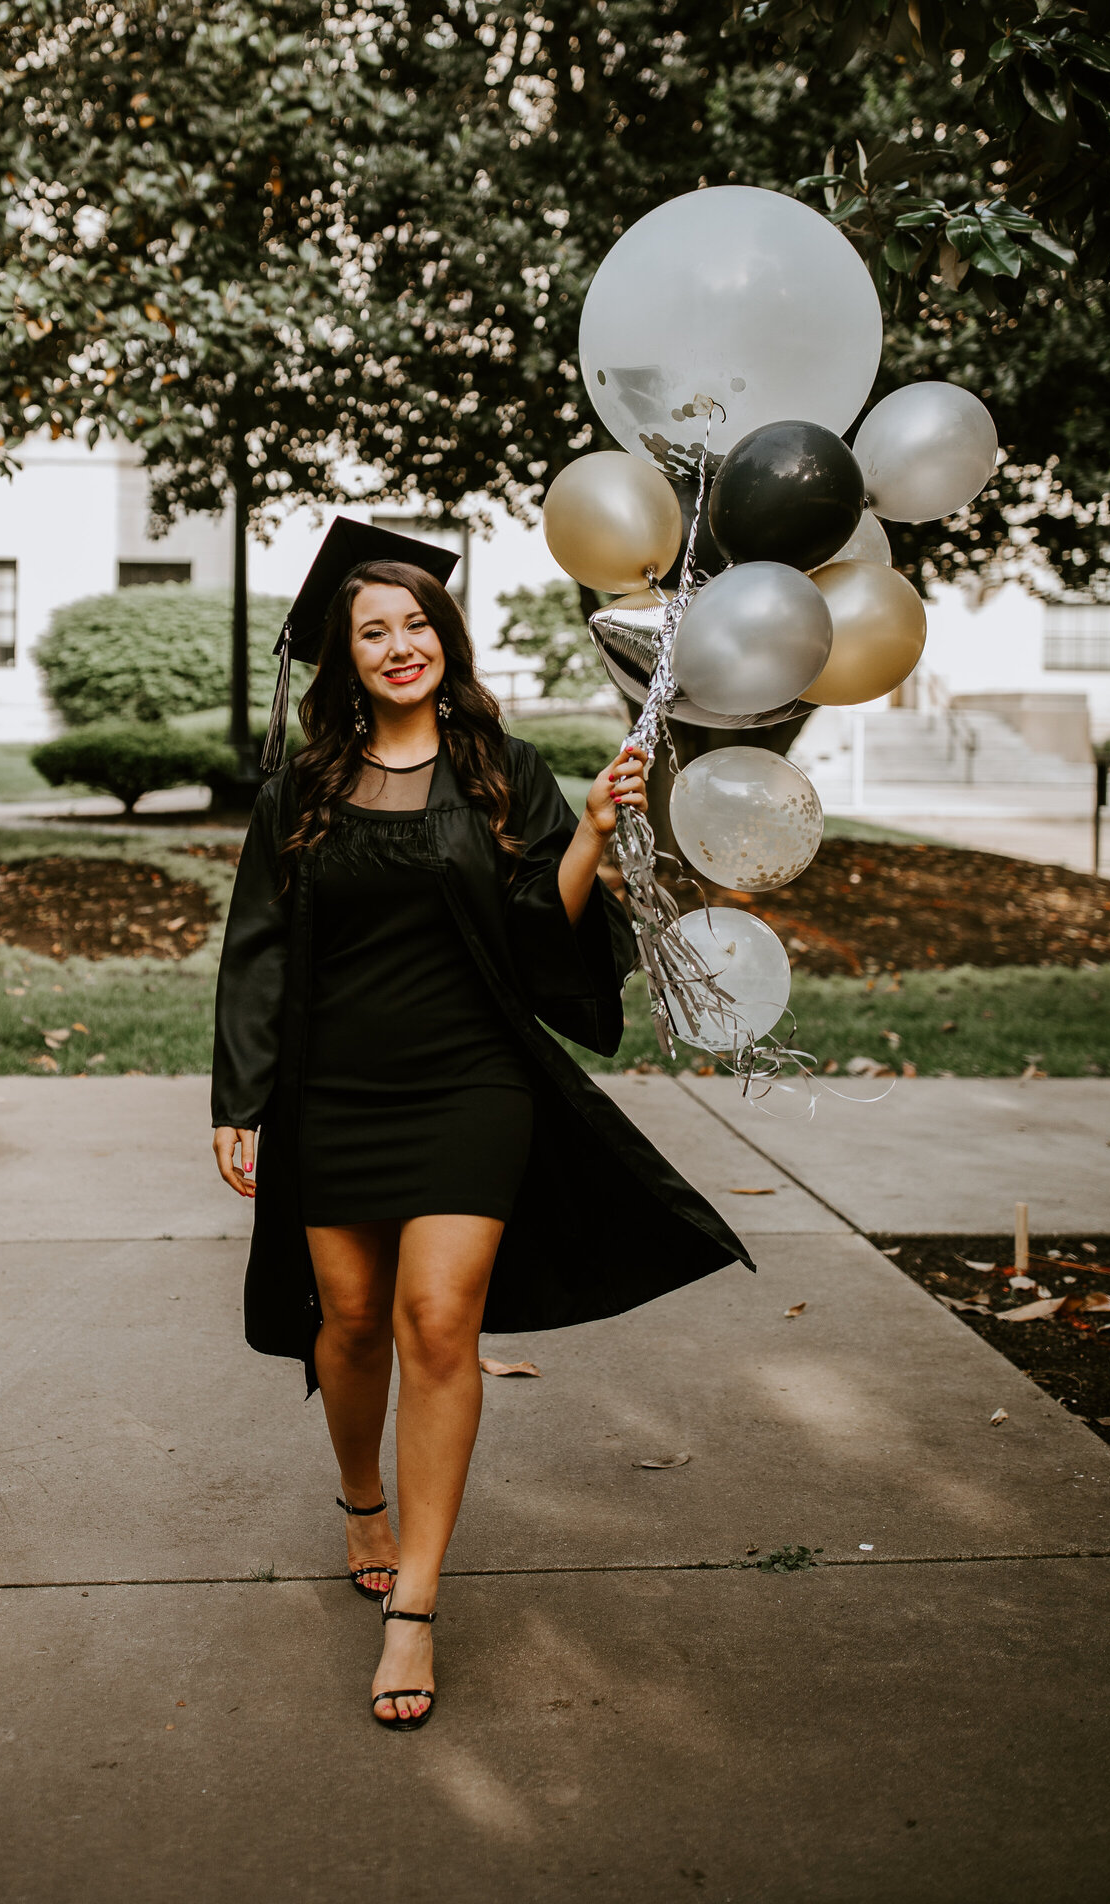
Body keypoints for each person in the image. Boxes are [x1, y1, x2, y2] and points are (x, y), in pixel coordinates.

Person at [211, 519, 750, 1731]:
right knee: (348, 1321)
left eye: (416, 625)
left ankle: (416, 1603)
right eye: (373, 632)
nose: (400, 647)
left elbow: (537, 931)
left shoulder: (503, 769)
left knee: (436, 1320)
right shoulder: (300, 789)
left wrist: (598, 838)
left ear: (444, 641)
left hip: (471, 1079)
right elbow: (254, 944)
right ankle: (362, 1498)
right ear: (345, 658)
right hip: (333, 1085)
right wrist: (239, 1098)